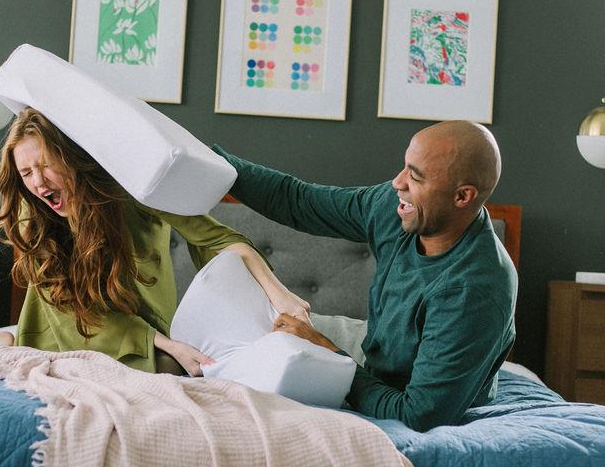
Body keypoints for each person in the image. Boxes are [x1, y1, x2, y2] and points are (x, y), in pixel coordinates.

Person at [212, 120, 517, 430]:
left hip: (405, 393)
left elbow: (416, 415)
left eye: (415, 176)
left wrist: (329, 355)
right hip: (373, 348)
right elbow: (298, 200)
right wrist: (211, 162)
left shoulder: (473, 289)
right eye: (404, 167)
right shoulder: (397, 207)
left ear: (462, 197)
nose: (397, 183)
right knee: (237, 330)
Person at [0, 107, 310, 376]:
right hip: (70, 327)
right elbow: (62, 304)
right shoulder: (31, 211)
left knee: (176, 368)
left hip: (145, 324)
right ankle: (13, 343)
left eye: (46, 166)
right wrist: (166, 344)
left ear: (70, 157)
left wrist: (279, 292)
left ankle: (7, 343)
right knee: (163, 367)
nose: (38, 182)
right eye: (26, 173)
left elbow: (218, 239)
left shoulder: (137, 187)